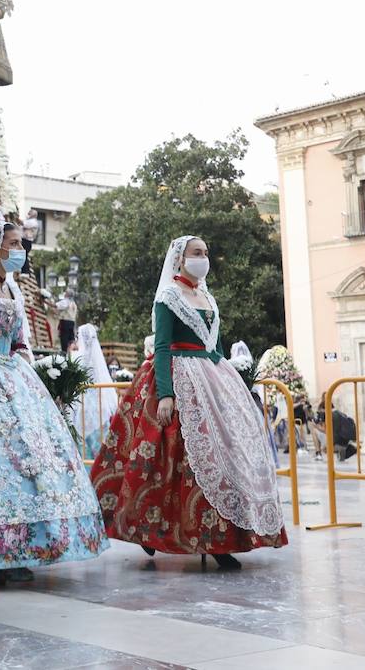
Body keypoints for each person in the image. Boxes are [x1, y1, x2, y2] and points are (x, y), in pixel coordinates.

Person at [91, 236, 287, 569]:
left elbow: (217, 346)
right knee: (170, 460)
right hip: (178, 376)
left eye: (207, 253)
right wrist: (166, 394)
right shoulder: (168, 297)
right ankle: (151, 530)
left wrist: (229, 387)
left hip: (213, 376)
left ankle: (223, 538)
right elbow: (163, 347)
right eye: (197, 253)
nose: (203, 258)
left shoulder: (207, 298)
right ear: (180, 258)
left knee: (225, 453)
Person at [0, 222, 105, 585]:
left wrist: (31, 369)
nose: (20, 250)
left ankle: (29, 546)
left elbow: (18, 340)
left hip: (16, 378)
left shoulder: (12, 288)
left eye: (21, 243)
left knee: (35, 458)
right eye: (13, 243)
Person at [73, 324, 118, 457]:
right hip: (98, 403)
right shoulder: (96, 359)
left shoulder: (77, 358)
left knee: (84, 443)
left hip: (83, 403)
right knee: (98, 442)